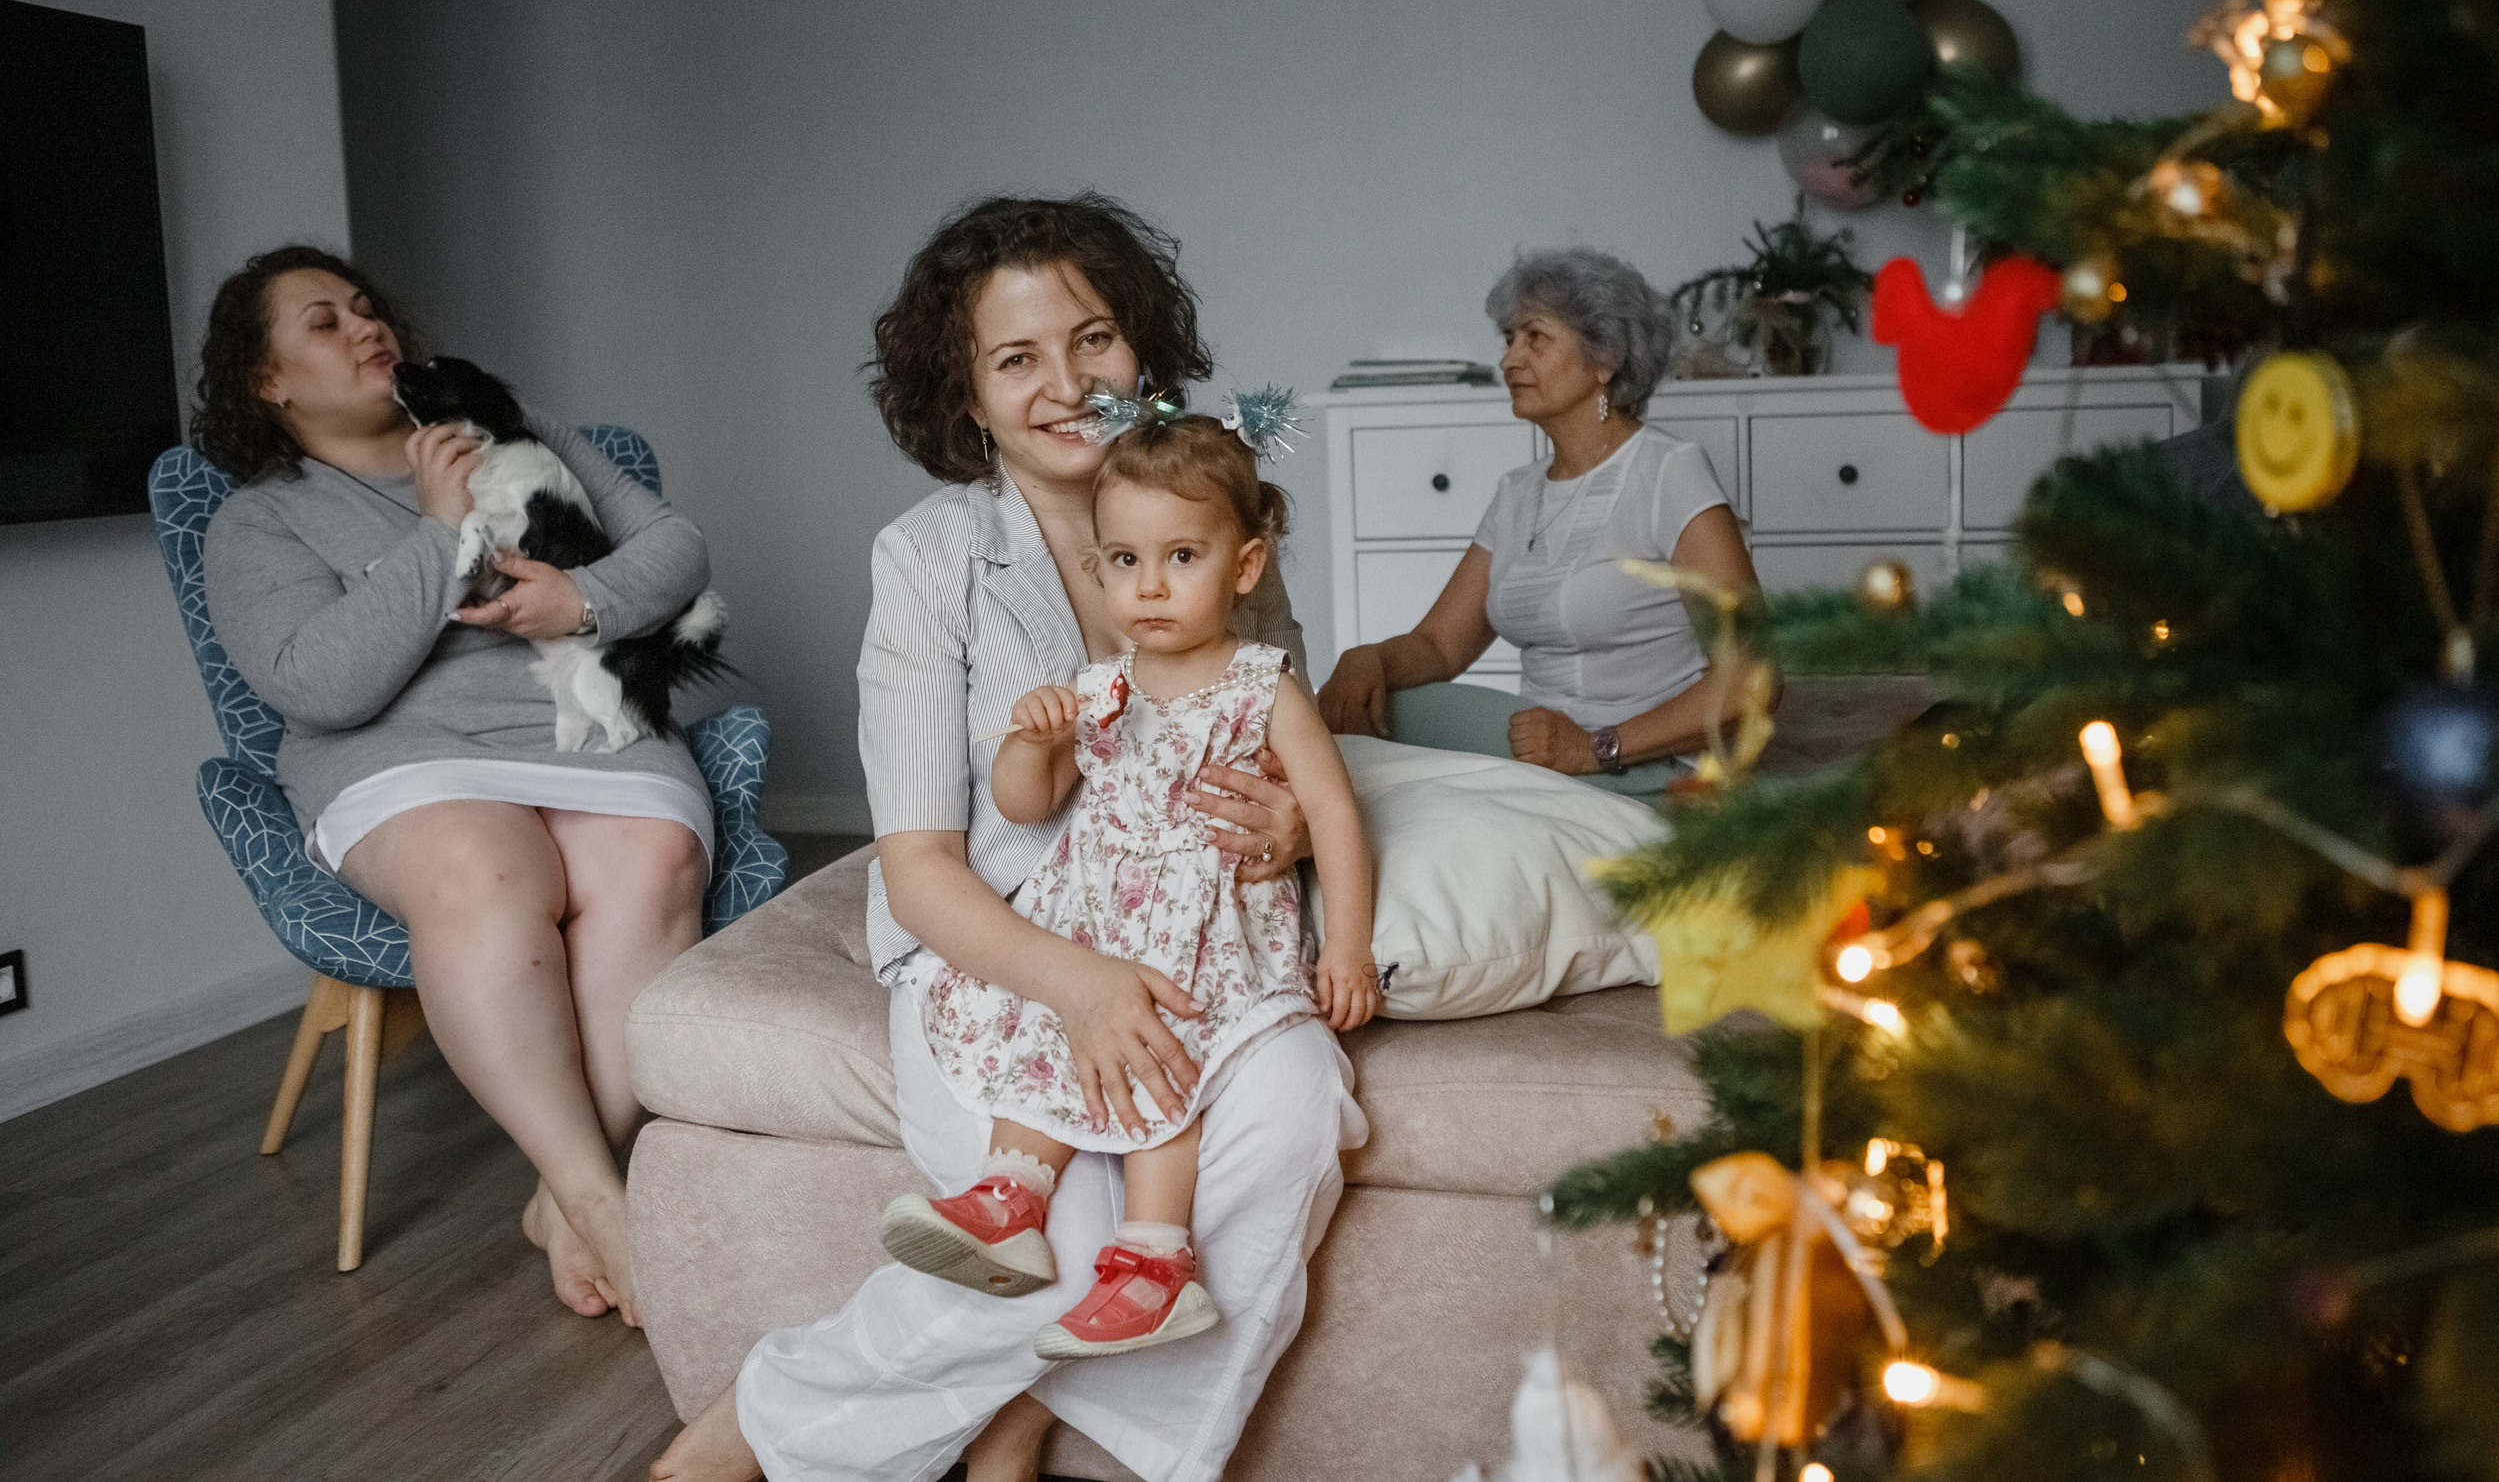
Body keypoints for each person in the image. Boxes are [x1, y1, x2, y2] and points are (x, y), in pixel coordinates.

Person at [655, 195, 1364, 1482]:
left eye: (1093, 339)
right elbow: (919, 866)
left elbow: (1286, 747)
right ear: (967, 398)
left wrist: (1287, 834)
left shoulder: (1222, 505)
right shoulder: (928, 561)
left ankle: (1028, 1430)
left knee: (1297, 1111)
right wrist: (1079, 986)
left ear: (1140, 350)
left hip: (1205, 951)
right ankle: (748, 1433)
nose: (1067, 383)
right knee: (1065, 1236)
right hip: (1007, 956)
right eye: (1016, 358)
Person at [196, 245, 720, 1326]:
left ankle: (560, 1195)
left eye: (363, 308)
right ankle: (601, 1204)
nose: (364, 327)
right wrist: (438, 539)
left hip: (581, 729)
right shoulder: (260, 521)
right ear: (270, 382)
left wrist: (576, 602)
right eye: (322, 323)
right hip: (401, 755)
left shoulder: (514, 431)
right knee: (487, 867)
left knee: (654, 853)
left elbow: (675, 547)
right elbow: (319, 684)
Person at [883, 407, 1379, 1361]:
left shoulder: (1259, 684)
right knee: (1041, 1021)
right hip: (1094, 914)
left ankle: (1154, 1259)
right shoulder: (1103, 683)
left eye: (1181, 557)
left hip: (1205, 928)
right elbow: (1028, 804)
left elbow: (1335, 813)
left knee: (1167, 1052)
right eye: (1123, 561)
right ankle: (1010, 1197)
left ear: (1244, 567)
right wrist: (1036, 739)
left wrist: (1348, 945)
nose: (1149, 586)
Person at [1317, 248, 1763, 792]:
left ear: (1606, 359)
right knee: (1357, 714)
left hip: (1648, 763)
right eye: (1508, 339)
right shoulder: (1517, 493)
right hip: (1543, 756)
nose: (1509, 360)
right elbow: (1439, 646)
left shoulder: (1671, 472)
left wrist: (1595, 747)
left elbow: (1751, 679)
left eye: (1535, 337)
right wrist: (1369, 660)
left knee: (1357, 752)